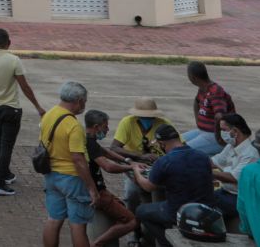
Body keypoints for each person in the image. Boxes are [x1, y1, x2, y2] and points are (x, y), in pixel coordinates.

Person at [130, 124, 230, 245]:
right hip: (206, 209)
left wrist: (136, 170)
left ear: (162, 144)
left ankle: (166, 242)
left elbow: (149, 186)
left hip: (177, 211)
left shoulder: (164, 161)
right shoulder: (203, 156)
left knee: (141, 211)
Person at [0, 28, 43, 196]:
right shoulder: (14, 60)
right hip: (11, 108)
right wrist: (38, 106)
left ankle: (6, 174)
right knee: (7, 146)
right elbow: (25, 87)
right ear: (9, 43)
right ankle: (0, 183)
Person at [41, 81, 100, 247]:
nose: (84, 106)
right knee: (78, 225)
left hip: (52, 175)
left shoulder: (49, 115)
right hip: (72, 178)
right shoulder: (73, 126)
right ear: (79, 100)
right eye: (85, 102)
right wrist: (91, 188)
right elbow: (78, 159)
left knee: (53, 219)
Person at [81, 110, 139, 247]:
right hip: (97, 192)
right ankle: (98, 243)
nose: (107, 129)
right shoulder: (90, 143)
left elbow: (106, 152)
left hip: (92, 190)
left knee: (120, 205)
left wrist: (127, 160)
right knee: (132, 221)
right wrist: (132, 168)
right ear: (96, 127)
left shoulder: (86, 139)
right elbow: (108, 167)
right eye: (105, 126)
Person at [109, 97, 176, 209]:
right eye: (144, 117)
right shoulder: (127, 123)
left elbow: (177, 144)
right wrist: (140, 156)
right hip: (135, 164)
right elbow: (114, 148)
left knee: (160, 193)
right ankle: (133, 219)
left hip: (159, 164)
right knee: (132, 193)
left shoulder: (164, 124)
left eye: (151, 117)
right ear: (137, 116)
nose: (148, 119)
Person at [185, 61, 237, 157]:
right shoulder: (203, 88)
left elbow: (220, 116)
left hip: (214, 135)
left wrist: (219, 137)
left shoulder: (215, 91)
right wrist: (198, 121)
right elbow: (196, 102)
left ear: (193, 77)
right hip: (203, 131)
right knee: (176, 141)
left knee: (181, 151)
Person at [214, 112, 259, 211]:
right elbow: (216, 161)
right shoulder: (231, 145)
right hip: (225, 191)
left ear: (235, 131)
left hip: (238, 198)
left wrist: (209, 172)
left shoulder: (250, 153)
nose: (221, 133)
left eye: (223, 130)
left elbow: (233, 178)